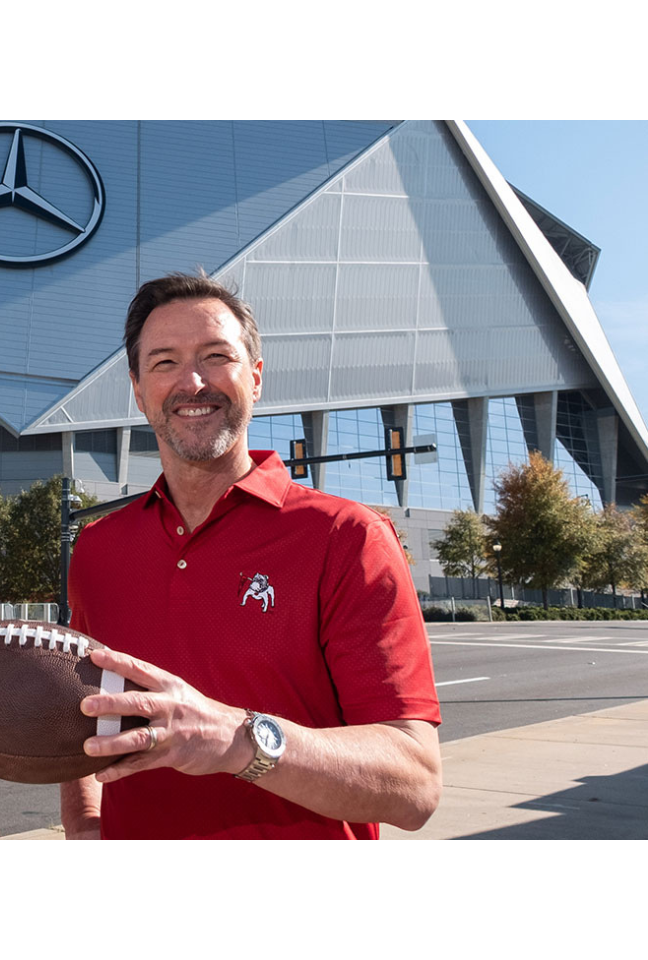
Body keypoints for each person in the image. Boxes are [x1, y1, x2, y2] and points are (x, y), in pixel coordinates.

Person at [60, 273, 442, 840]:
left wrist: (235, 741)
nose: (193, 382)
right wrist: (85, 822)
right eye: (164, 362)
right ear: (139, 392)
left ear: (255, 378)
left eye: (217, 356)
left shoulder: (348, 537)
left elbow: (415, 786)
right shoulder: (98, 549)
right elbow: (82, 714)